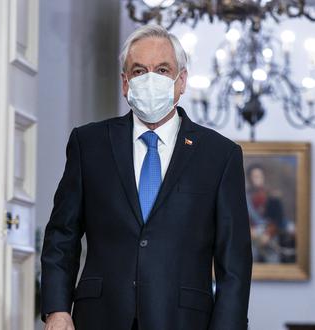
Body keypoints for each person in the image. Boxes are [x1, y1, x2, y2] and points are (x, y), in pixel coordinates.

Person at [41, 25, 252, 330]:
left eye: (162, 70)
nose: (150, 79)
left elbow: (235, 261)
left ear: (181, 81)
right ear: (125, 83)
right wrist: (57, 309)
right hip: (100, 316)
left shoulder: (220, 155)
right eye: (139, 71)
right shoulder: (89, 144)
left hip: (183, 319)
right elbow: (62, 234)